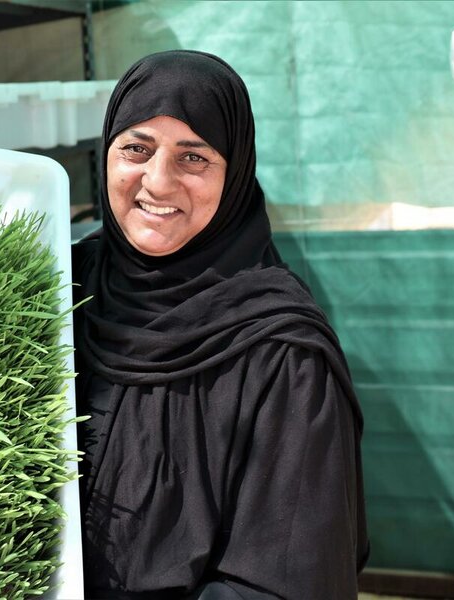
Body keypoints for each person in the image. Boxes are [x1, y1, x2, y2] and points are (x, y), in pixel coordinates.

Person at [71, 50, 369, 600]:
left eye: (194, 158)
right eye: (136, 149)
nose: (157, 183)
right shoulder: (65, 290)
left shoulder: (281, 354)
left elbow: (288, 583)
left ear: (234, 175)